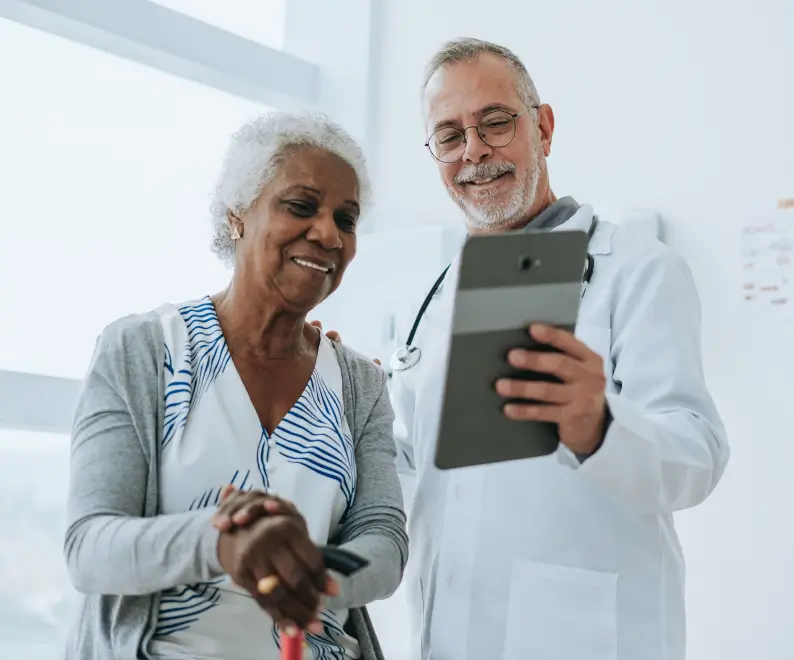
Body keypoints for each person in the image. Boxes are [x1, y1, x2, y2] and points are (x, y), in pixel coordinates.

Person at [323, 38, 729, 660]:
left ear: (542, 127)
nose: (474, 152)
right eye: (449, 136)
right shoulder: (430, 297)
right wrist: (357, 428)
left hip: (587, 635)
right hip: (450, 630)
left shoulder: (638, 271)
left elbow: (697, 455)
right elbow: (428, 479)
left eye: (495, 122)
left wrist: (597, 425)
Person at [63, 111, 408, 660]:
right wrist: (223, 542)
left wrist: (307, 573)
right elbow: (90, 548)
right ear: (237, 217)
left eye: (347, 219)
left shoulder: (359, 383)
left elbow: (384, 539)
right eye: (300, 206)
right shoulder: (144, 351)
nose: (328, 234)